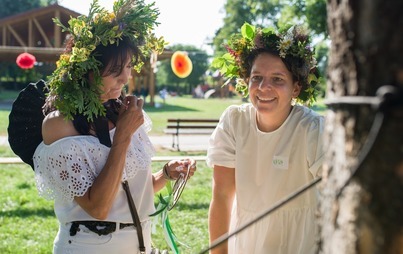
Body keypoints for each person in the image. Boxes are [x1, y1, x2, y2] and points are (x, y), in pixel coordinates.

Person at [32, 0, 196, 253]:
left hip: (140, 243)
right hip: (90, 245)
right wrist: (122, 135)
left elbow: (128, 192)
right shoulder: (59, 125)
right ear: (87, 70)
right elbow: (98, 207)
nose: (125, 77)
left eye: (128, 66)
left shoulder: (121, 112)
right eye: (116, 69)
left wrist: (165, 174)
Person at [207, 23, 324, 254]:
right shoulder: (234, 121)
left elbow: (339, 196)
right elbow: (221, 195)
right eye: (256, 77)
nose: (264, 87)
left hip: (302, 244)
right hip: (247, 241)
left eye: (278, 79)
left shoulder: (312, 128)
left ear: (296, 88)